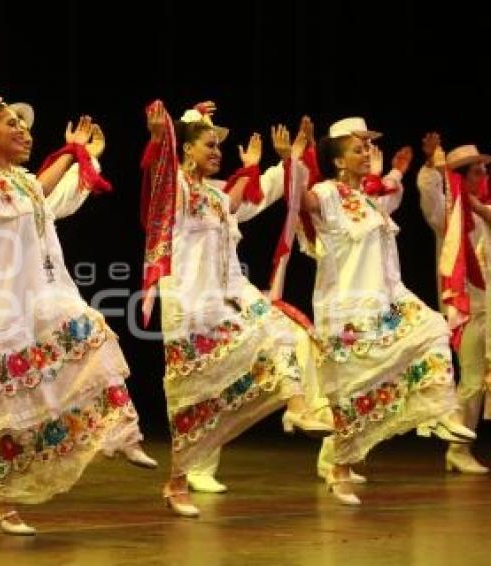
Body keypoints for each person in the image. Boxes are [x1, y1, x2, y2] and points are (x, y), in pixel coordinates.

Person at [0, 95, 155, 535]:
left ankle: (120, 432)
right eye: (13, 124)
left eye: (26, 125)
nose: (25, 132)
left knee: (94, 335)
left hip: (45, 296)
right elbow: (37, 191)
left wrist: (82, 157)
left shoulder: (25, 182)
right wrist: (72, 155)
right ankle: (1, 500)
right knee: (9, 405)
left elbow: (56, 196)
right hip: (2, 302)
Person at [142, 101, 329, 516]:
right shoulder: (178, 187)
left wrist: (291, 159)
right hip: (189, 304)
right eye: (207, 145)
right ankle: (177, 483)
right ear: (186, 150)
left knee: (283, 331)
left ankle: (298, 407)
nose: (215, 152)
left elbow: (266, 194)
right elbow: (157, 179)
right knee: (193, 398)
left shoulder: (218, 196)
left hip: (226, 295)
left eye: (217, 147)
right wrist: (161, 136)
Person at [300, 116, 474, 505]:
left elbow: (390, 191)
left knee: (432, 327)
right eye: (358, 149)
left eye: (368, 148)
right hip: (347, 305)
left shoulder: (369, 199)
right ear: (339, 159)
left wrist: (396, 169)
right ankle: (339, 469)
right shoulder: (326, 192)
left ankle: (440, 410)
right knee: (349, 390)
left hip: (387, 298)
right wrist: (300, 156)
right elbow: (300, 199)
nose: (367, 154)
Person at [417, 134, 491, 473]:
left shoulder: (484, 208)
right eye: (475, 172)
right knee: (474, 379)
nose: (483, 177)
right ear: (460, 178)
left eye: (484, 171)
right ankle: (459, 448)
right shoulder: (449, 216)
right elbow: (429, 194)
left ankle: (461, 447)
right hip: (470, 308)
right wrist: (434, 166)